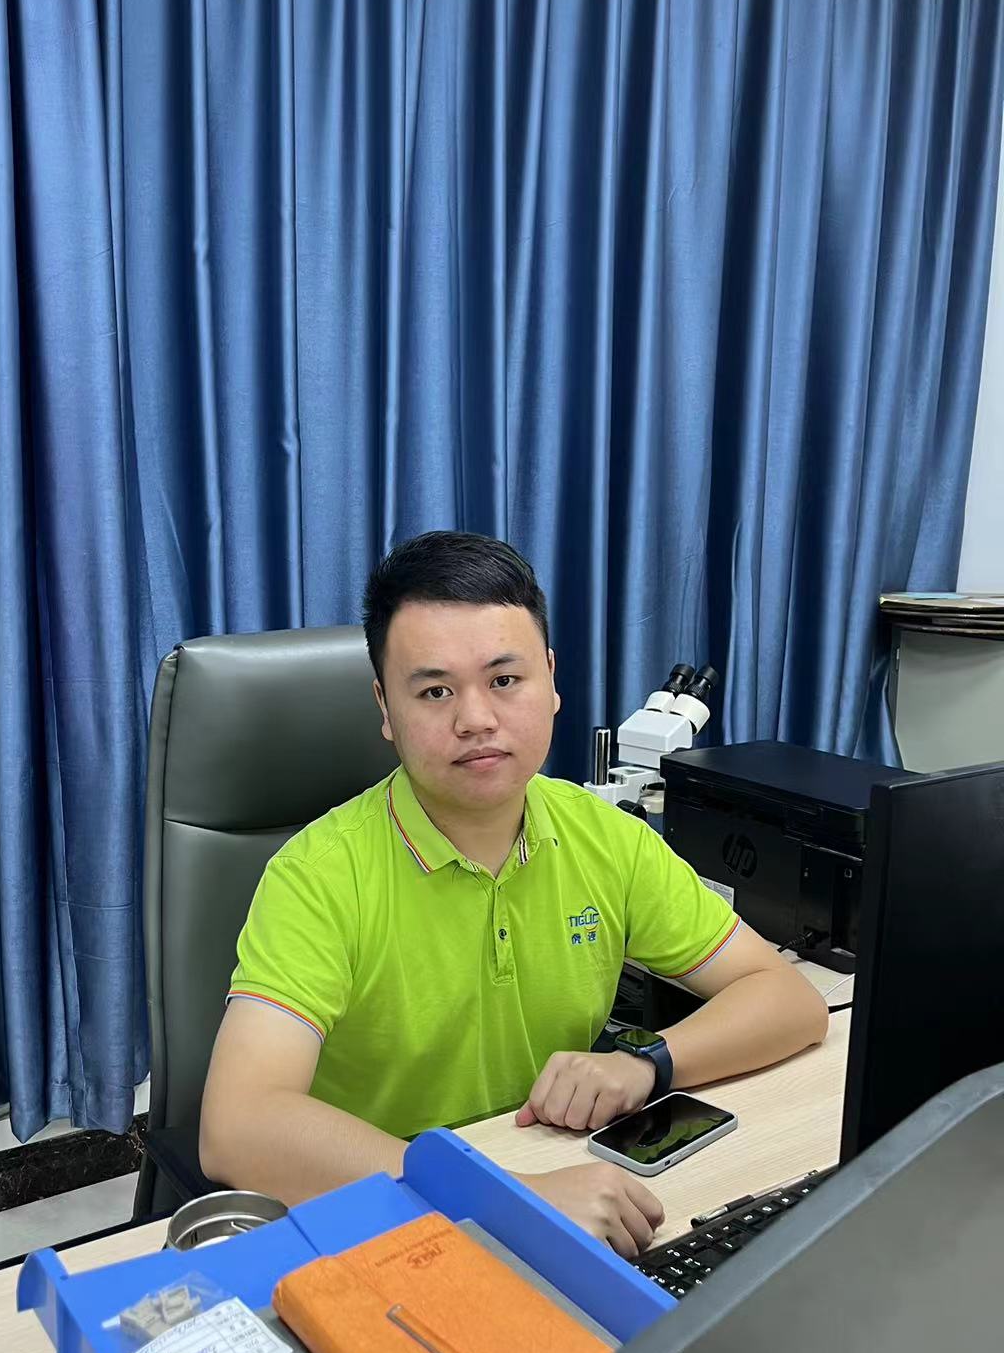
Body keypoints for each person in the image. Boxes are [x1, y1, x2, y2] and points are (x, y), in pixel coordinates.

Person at [199, 532, 828, 1259]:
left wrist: (646, 1063)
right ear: (385, 708)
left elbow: (788, 999)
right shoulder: (318, 874)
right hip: (384, 1220)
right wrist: (503, 1199)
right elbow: (237, 1125)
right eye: (435, 691)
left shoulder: (606, 838)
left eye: (504, 679)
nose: (476, 719)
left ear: (551, 679)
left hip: (547, 1176)